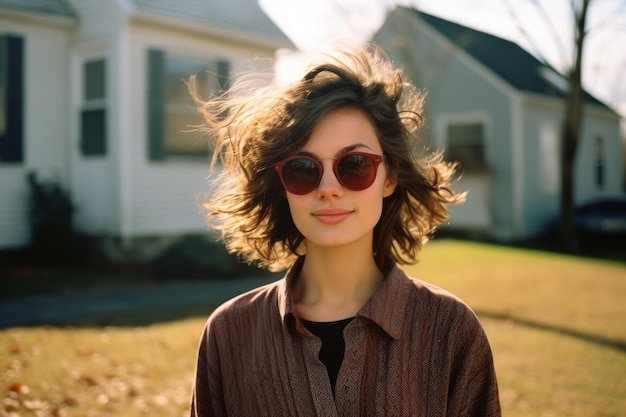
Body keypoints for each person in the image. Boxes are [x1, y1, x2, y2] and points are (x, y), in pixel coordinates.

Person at [190, 44, 501, 416]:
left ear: (390, 178)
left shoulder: (451, 331)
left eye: (354, 165)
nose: (329, 188)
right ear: (282, 185)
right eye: (303, 169)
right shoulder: (229, 334)